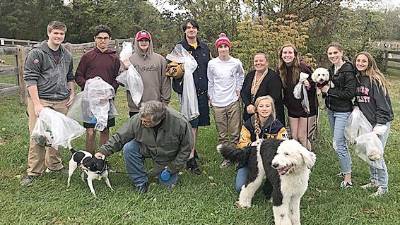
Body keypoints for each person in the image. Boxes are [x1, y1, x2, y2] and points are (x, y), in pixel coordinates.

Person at [95, 101, 193, 193]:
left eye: (146, 122)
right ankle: (140, 182)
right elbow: (120, 137)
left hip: (168, 157)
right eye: (142, 120)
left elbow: (186, 149)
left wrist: (172, 168)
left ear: (159, 120)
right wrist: (103, 151)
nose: (142, 123)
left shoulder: (179, 122)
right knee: (129, 148)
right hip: (148, 148)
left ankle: (161, 172)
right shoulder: (138, 119)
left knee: (165, 188)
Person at [21, 21, 75, 186]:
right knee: (39, 135)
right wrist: (37, 104)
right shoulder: (37, 53)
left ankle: (54, 165)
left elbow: (69, 76)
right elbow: (30, 79)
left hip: (61, 99)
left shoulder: (67, 55)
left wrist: (72, 92)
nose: (58, 36)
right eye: (55, 33)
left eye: (61, 34)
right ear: (49, 33)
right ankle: (34, 171)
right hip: (42, 99)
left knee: (56, 134)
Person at [171, 19, 211, 175]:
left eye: (194, 27)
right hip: (187, 93)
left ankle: (192, 149)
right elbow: (171, 70)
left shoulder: (204, 48)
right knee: (189, 125)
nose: (191, 30)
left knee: (196, 123)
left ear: (197, 30)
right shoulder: (179, 48)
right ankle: (189, 158)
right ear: (184, 31)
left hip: (201, 91)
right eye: (188, 28)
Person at [75, 24, 120, 154]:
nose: (102, 40)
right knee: (90, 131)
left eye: (105, 38)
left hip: (106, 100)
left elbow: (117, 78)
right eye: (100, 38)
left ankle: (102, 158)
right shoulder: (87, 57)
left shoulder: (114, 58)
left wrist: (109, 92)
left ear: (109, 39)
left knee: (104, 130)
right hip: (89, 100)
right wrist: (90, 88)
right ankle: (89, 160)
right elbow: (78, 76)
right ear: (95, 39)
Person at [354, 51, 393, 197]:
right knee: (368, 151)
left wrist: (379, 125)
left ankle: (383, 186)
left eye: (364, 61)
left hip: (380, 122)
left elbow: (383, 105)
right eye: (358, 61)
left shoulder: (374, 80)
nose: (360, 63)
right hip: (367, 122)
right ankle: (374, 180)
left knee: (376, 153)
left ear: (370, 63)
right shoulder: (358, 78)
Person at [235, 96, 288, 192]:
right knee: (240, 187)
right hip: (250, 160)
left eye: (267, 106)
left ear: (272, 108)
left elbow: (285, 147)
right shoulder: (248, 125)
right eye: (261, 106)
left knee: (275, 189)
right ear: (256, 108)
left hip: (271, 162)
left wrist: (268, 146)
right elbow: (241, 144)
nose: (264, 109)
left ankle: (269, 182)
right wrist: (252, 144)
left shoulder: (279, 127)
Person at [322, 42, 356, 188]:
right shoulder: (331, 69)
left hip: (342, 111)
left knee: (338, 143)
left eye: (335, 53)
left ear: (341, 52)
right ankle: (344, 169)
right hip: (332, 110)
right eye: (330, 54)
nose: (333, 56)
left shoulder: (348, 70)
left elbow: (349, 93)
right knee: (339, 142)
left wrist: (328, 91)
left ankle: (347, 179)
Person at [207, 33, 245, 168]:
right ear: (217, 49)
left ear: (229, 48)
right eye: (220, 47)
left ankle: (236, 156)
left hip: (232, 101)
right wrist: (210, 96)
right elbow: (210, 81)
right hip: (217, 102)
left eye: (225, 46)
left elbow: (241, 76)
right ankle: (226, 158)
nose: (223, 49)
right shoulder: (212, 64)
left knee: (235, 132)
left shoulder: (236, 62)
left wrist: (238, 88)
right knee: (222, 134)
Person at [122, 30, 170, 118]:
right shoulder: (129, 60)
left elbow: (165, 82)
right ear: (137, 42)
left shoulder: (160, 60)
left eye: (146, 40)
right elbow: (122, 83)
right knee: (138, 131)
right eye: (141, 40)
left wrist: (165, 102)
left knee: (156, 131)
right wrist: (123, 70)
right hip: (136, 107)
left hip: (156, 105)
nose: (143, 42)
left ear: (150, 42)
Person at [277, 43, 317, 150]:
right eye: (285, 53)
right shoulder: (281, 70)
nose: (287, 55)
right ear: (281, 55)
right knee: (294, 137)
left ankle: (309, 159)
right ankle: (297, 160)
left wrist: (309, 85)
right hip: (292, 108)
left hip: (306, 107)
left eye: (290, 52)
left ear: (295, 55)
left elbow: (315, 83)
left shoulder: (303, 68)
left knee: (302, 137)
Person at [240, 53, 285, 125]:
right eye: (256, 61)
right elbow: (243, 92)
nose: (258, 63)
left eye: (261, 61)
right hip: (250, 114)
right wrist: (248, 104)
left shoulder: (274, 77)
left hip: (269, 115)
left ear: (267, 63)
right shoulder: (250, 75)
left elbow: (274, 96)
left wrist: (259, 108)